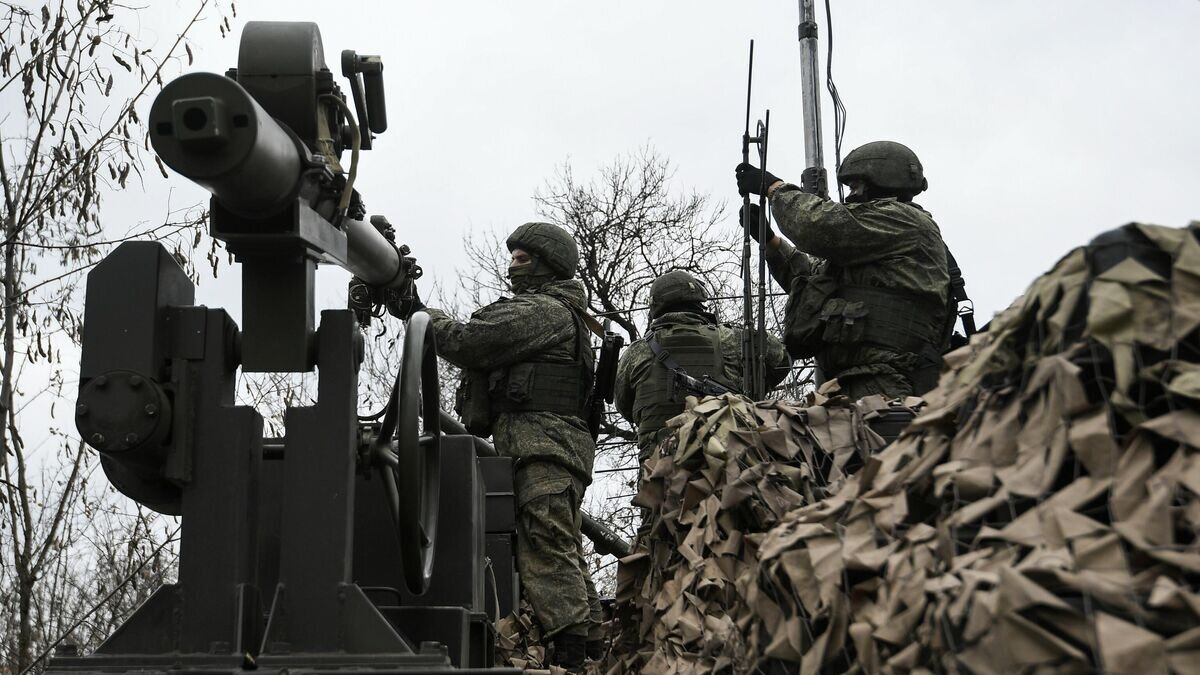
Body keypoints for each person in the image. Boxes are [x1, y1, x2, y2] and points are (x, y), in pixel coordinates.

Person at [404, 222, 602, 668]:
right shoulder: (553, 311)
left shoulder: (545, 312)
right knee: (558, 542)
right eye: (511, 256)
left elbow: (470, 342)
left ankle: (574, 654)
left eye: (523, 258)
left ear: (549, 265)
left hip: (545, 446)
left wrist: (418, 313)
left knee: (547, 541)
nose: (512, 265)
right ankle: (589, 644)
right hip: (544, 446)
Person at [735, 140, 952, 400]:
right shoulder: (870, 247)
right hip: (853, 382)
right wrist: (772, 244)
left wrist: (775, 188)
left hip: (892, 383)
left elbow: (817, 226)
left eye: (856, 187)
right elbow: (815, 281)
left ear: (882, 182)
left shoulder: (903, 220)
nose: (850, 196)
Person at [614, 269, 791, 457]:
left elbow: (625, 406)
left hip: (659, 468)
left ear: (655, 308)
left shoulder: (636, 353)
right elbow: (782, 358)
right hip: (724, 464)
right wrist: (750, 390)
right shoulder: (731, 338)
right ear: (698, 300)